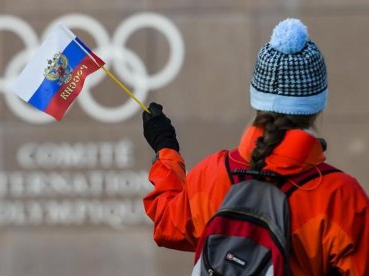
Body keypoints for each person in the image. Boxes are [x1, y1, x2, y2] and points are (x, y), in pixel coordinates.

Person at [141, 18, 369, 275]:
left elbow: (168, 224)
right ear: (317, 105)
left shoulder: (213, 173)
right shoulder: (341, 197)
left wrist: (165, 148)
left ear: (256, 98)